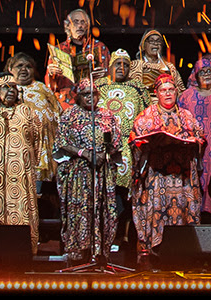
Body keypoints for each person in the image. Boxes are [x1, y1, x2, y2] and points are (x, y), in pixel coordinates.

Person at [129, 74, 205, 270]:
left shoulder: (186, 116)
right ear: (156, 93)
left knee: (182, 210)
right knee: (157, 212)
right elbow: (134, 140)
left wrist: (195, 142)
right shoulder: (147, 116)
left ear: (176, 92)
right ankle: (155, 252)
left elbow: (200, 138)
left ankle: (184, 253)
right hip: (158, 176)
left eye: (171, 90)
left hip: (182, 177)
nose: (168, 93)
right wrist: (145, 144)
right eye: (163, 90)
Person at [53, 78, 122, 264]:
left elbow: (116, 141)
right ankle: (80, 254)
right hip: (79, 172)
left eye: (94, 94)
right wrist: (84, 153)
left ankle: (100, 253)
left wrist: (102, 153)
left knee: (103, 210)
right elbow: (62, 142)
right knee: (81, 211)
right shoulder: (69, 115)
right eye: (85, 94)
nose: (90, 98)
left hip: (102, 171)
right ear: (78, 96)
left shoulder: (107, 115)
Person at [95, 48, 150, 262]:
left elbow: (147, 117)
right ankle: (101, 240)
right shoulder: (99, 86)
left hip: (128, 147)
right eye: (117, 64)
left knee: (125, 196)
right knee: (101, 194)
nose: (122, 68)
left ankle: (122, 238)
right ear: (110, 66)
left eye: (126, 64)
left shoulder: (138, 89)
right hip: (101, 149)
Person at [178, 56, 211, 223]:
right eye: (202, 72)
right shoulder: (186, 96)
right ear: (195, 75)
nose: (207, 75)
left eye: (209, 71)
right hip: (197, 149)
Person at [0, 72, 41, 255]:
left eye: (14, 87)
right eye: (6, 87)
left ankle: (21, 254)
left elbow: (37, 142)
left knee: (20, 216)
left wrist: (28, 163)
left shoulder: (26, 111)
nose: (11, 90)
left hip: (21, 175)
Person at [6, 52, 62, 200]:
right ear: (10, 69)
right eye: (19, 66)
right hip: (15, 150)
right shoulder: (5, 89)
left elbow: (58, 111)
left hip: (41, 151)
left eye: (28, 66)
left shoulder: (41, 88)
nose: (24, 69)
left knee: (37, 197)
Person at [45, 8, 110, 110]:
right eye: (75, 22)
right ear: (68, 25)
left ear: (87, 26)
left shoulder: (99, 47)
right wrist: (52, 74)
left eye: (83, 22)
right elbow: (50, 87)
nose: (79, 25)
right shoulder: (58, 50)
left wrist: (104, 75)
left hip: (92, 101)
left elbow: (109, 80)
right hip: (66, 103)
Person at [129, 29, 185, 103]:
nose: (155, 44)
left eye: (158, 41)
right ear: (144, 45)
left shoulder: (169, 67)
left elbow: (181, 92)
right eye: (151, 41)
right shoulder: (135, 65)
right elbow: (130, 91)